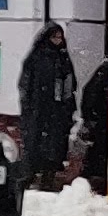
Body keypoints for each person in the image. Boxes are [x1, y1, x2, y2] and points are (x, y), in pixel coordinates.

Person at [16, 21, 79, 189]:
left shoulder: (63, 59)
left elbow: (69, 84)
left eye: (60, 37)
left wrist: (67, 107)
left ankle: (48, 177)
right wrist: (29, 106)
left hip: (57, 112)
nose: (57, 41)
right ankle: (30, 175)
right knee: (35, 143)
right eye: (54, 37)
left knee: (54, 146)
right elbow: (25, 84)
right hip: (38, 110)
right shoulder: (36, 58)